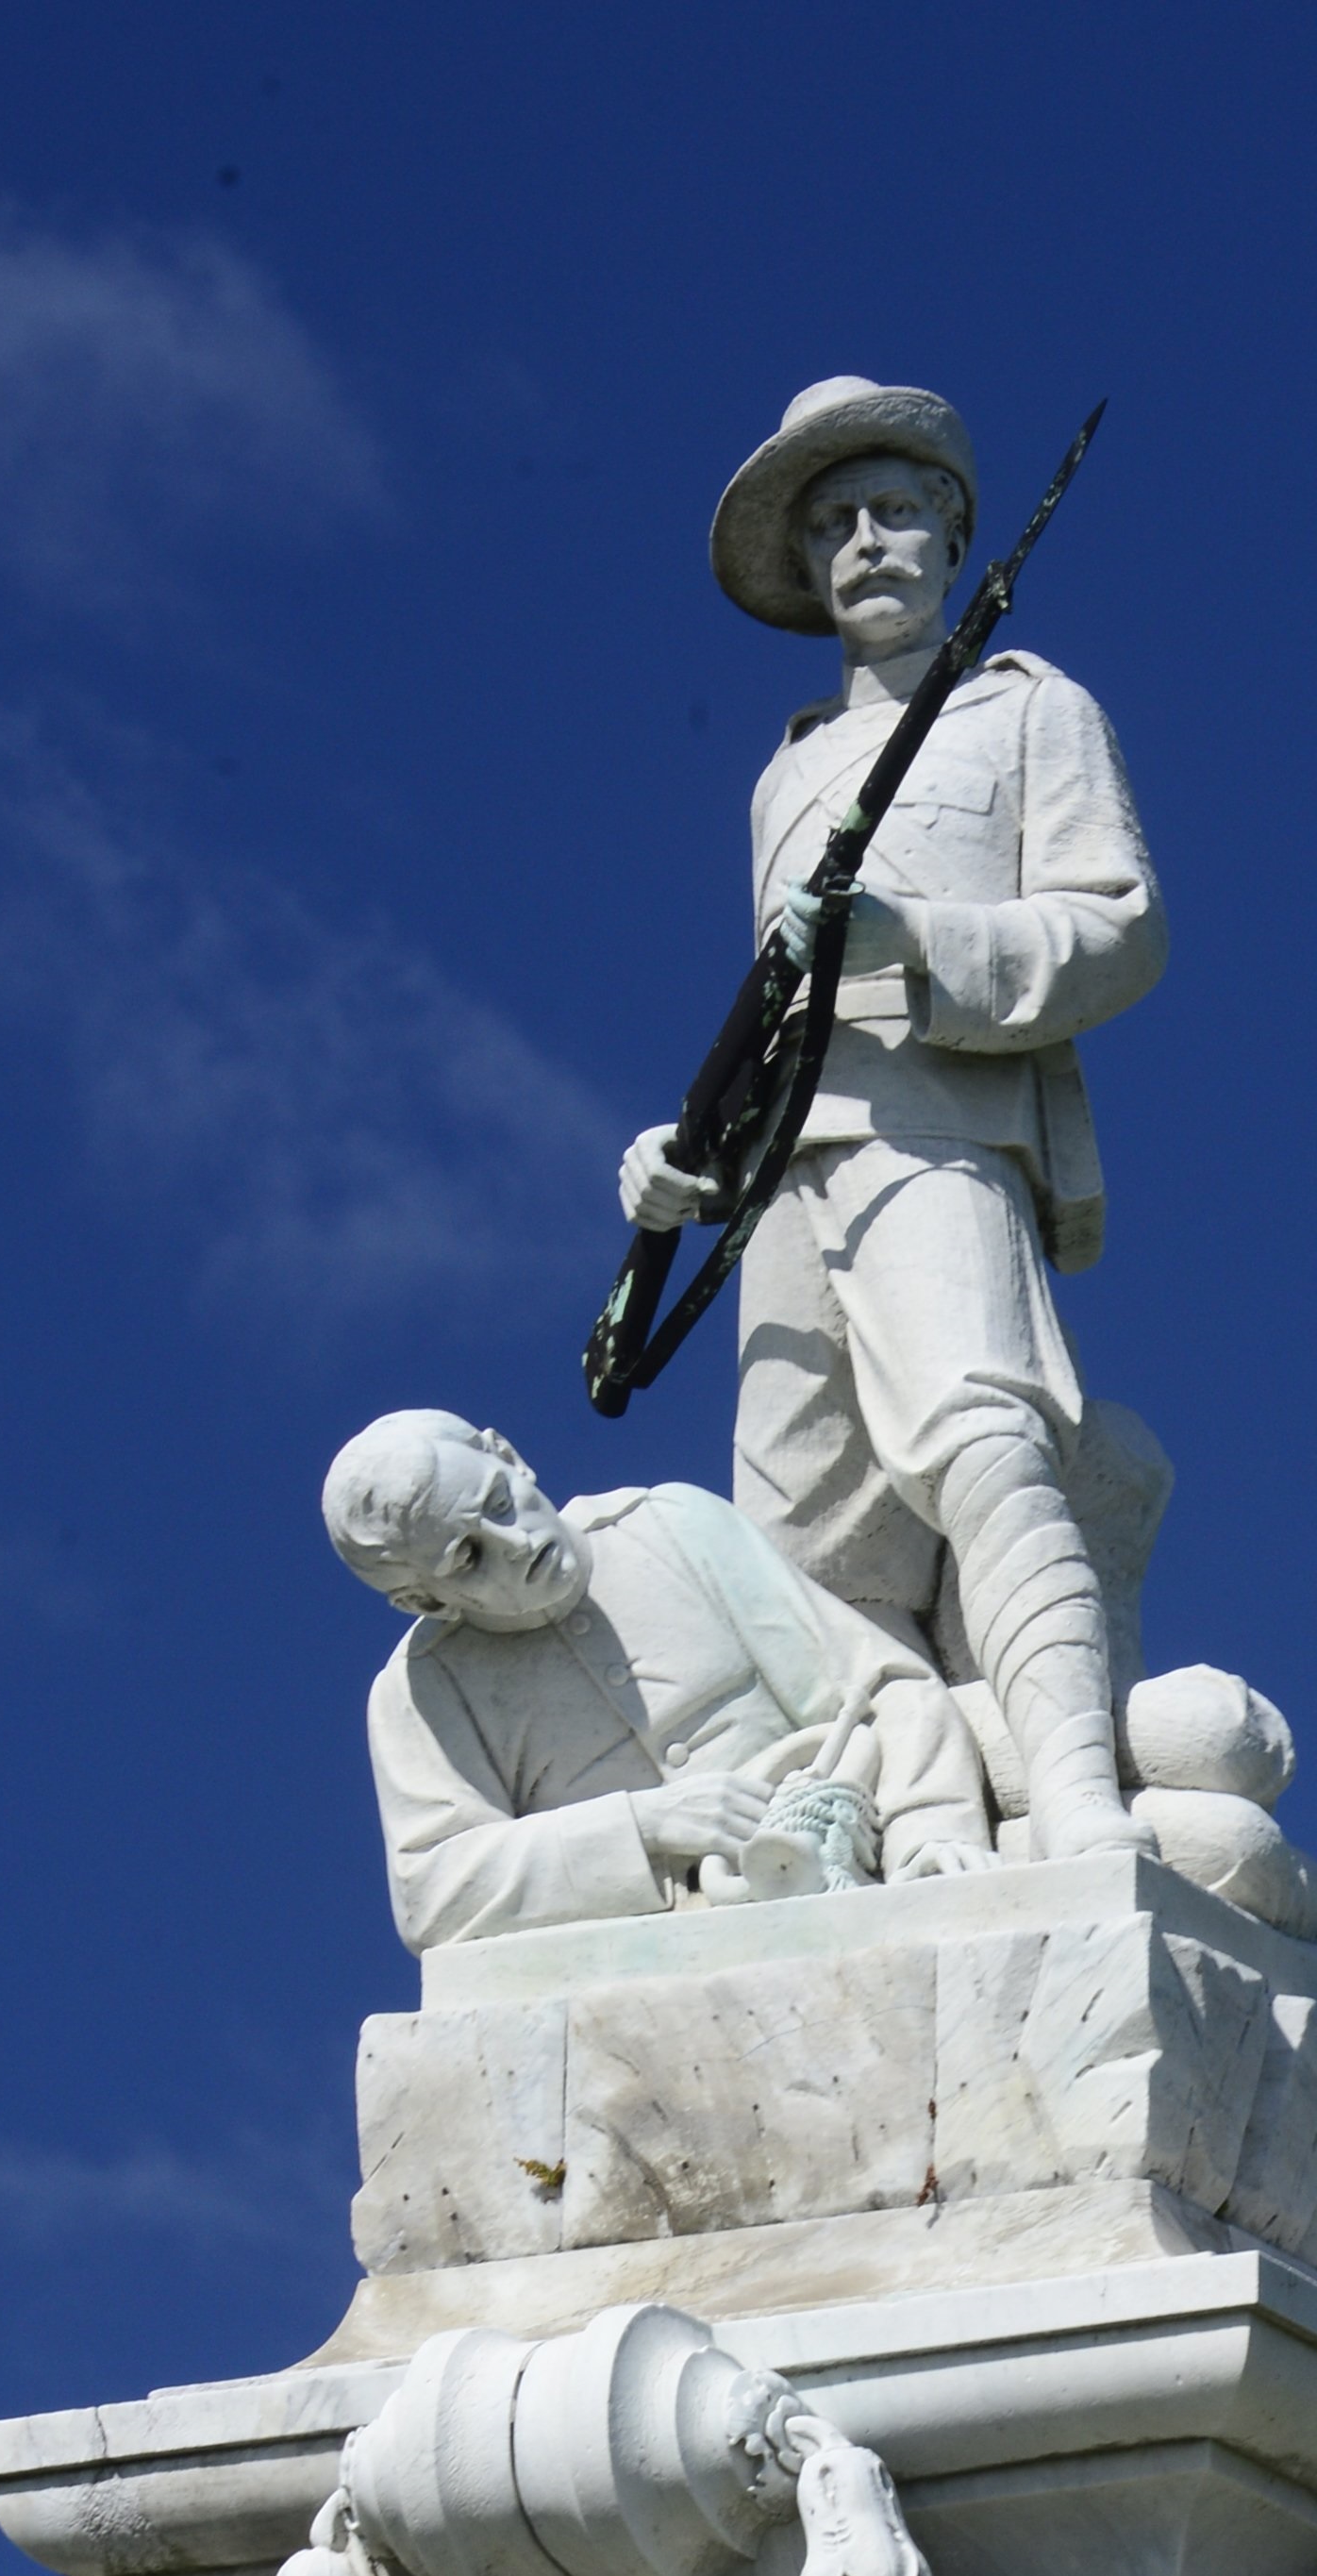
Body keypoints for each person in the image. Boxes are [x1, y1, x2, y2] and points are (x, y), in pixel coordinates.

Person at [618, 376, 1168, 1867]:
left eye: (895, 512)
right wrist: (689, 1160)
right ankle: (891, 1819)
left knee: (981, 1432)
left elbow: (1114, 927)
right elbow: (769, 1017)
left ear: (950, 533)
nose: (865, 544)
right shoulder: (786, 771)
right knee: (801, 1544)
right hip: (787, 1178)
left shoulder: (1024, 707)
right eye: (835, 524)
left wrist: (914, 942)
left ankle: (1072, 1796)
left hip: (937, 1121)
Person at [321, 1410, 994, 1955]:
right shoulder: (420, 1691)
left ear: (509, 1456)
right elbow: (432, 1892)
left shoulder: (671, 1525)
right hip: (658, 1946)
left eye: (499, 1502)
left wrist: (929, 1829)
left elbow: (880, 1686)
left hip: (847, 1846)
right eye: (467, 1556)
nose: (515, 1545)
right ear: (423, 1601)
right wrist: (643, 1825)